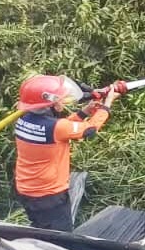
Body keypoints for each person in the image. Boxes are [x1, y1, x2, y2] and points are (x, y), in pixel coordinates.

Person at [13, 75, 126, 231]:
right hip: (49, 196)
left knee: (40, 227)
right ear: (49, 104)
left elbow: (61, 128)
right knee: (59, 238)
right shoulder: (57, 128)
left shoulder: (24, 120)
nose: (62, 101)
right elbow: (90, 129)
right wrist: (107, 105)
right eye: (59, 99)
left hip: (27, 190)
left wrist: (84, 112)